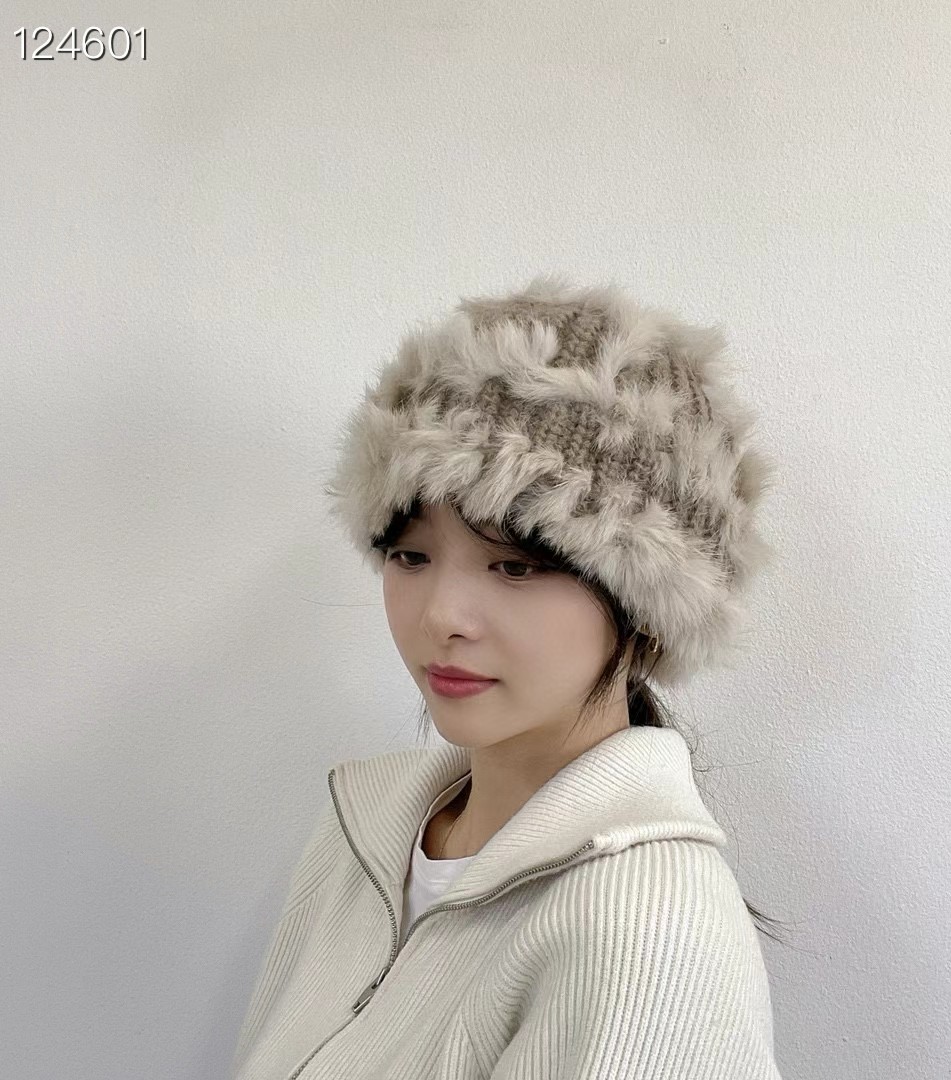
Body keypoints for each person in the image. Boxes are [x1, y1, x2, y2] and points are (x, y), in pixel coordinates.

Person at [228, 272, 784, 1079]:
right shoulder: (365, 832)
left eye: (516, 566)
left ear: (647, 604)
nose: (441, 615)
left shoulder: (647, 928)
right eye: (410, 555)